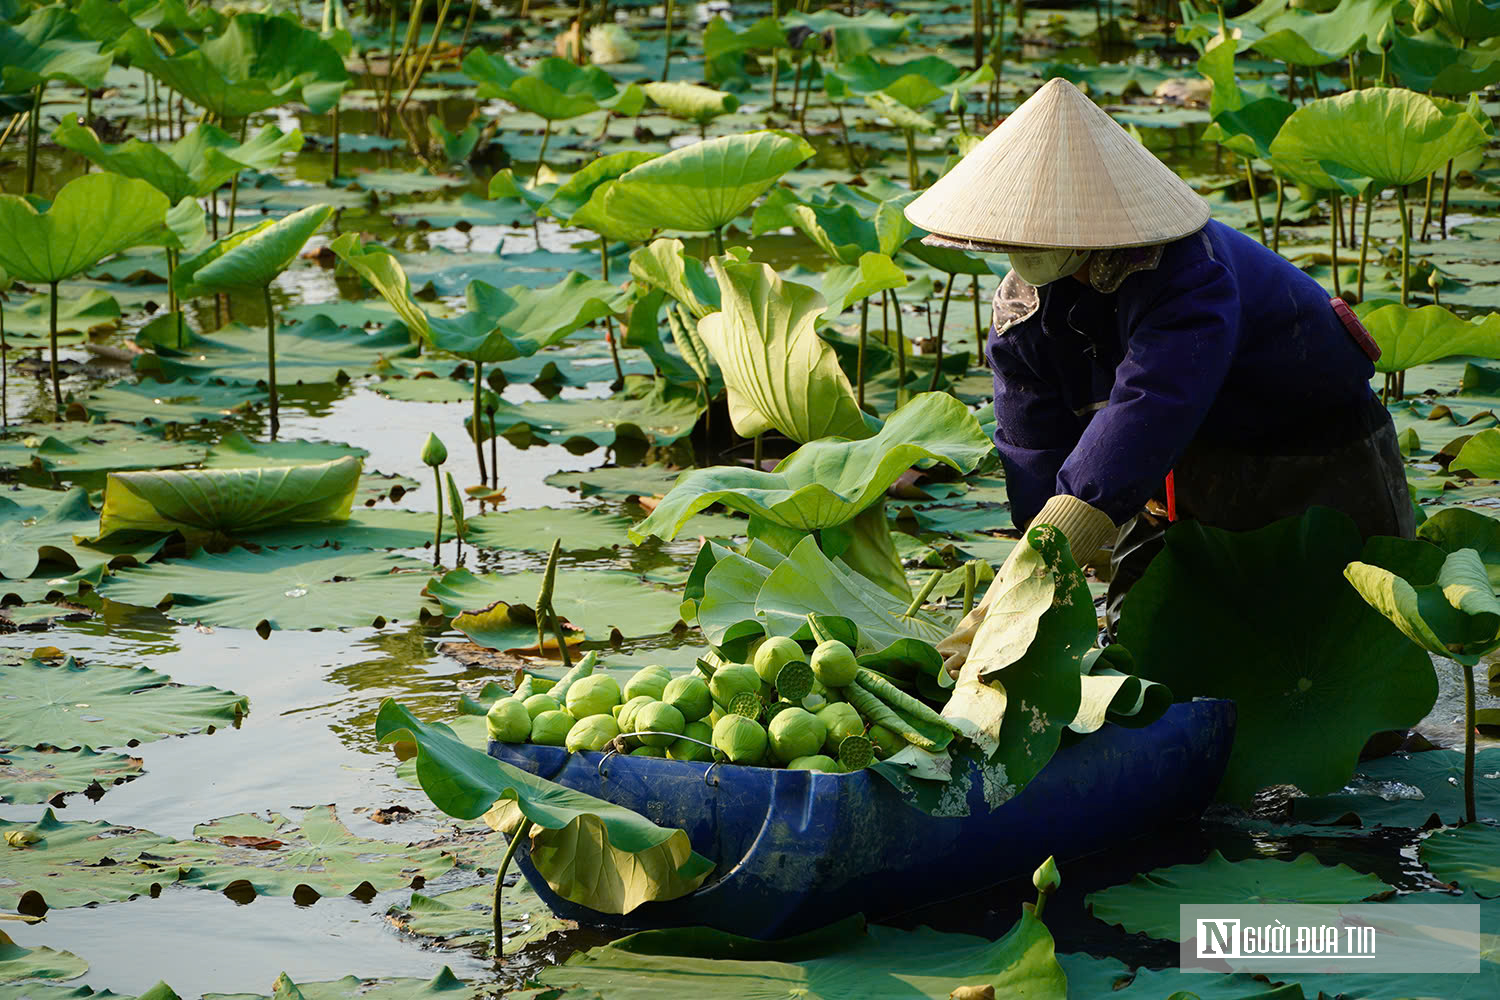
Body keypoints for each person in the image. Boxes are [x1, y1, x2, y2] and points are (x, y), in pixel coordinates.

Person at [903, 78, 1413, 675]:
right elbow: (1032, 445)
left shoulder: (1189, 275)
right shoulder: (1021, 316)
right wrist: (1026, 581)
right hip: (1172, 468)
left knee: (1340, 651)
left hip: (1311, 449)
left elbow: (1151, 403)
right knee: (1144, 656)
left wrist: (1051, 554)